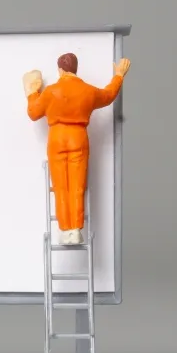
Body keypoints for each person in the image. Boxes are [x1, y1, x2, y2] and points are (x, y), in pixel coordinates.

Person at [23, 53, 131, 244]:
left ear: (60, 70)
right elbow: (108, 95)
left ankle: (65, 231)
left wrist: (32, 92)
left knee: (61, 186)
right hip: (78, 138)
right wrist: (119, 75)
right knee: (77, 185)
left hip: (57, 138)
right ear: (75, 69)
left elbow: (33, 112)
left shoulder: (51, 91)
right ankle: (75, 230)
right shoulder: (87, 91)